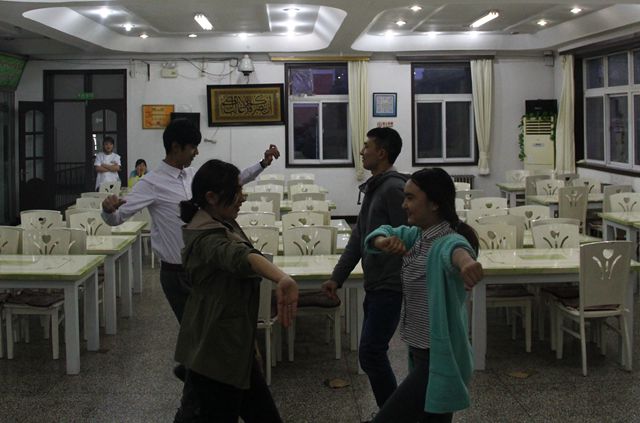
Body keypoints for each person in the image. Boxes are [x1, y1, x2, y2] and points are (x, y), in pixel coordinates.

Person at [101, 118, 280, 379]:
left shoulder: (193, 175)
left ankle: (195, 376)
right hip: (177, 275)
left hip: (204, 270)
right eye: (192, 147)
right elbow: (117, 218)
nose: (197, 152)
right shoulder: (151, 183)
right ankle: (197, 382)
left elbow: (232, 181)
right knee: (201, 336)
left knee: (208, 335)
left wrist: (262, 164)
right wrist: (107, 210)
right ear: (176, 147)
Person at [174, 159, 298, 423]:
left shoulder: (221, 221)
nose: (243, 197)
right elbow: (238, 256)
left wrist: (250, 345)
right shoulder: (205, 237)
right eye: (237, 191)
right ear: (211, 197)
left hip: (231, 344)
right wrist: (282, 278)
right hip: (216, 352)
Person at [363, 168, 484, 423]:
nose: (404, 204)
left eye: (410, 198)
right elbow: (379, 232)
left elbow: (456, 250)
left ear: (435, 203)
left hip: (439, 357)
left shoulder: (446, 240)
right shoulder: (417, 236)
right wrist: (382, 241)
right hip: (420, 351)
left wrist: (466, 264)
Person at [321, 127, 408, 411]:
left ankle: (394, 416)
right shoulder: (376, 187)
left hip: (390, 284)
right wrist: (337, 278)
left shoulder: (393, 189)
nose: (361, 151)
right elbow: (359, 237)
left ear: (381, 153)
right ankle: (393, 415)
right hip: (376, 282)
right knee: (372, 353)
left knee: (371, 353)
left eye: (366, 146)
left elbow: (409, 238)